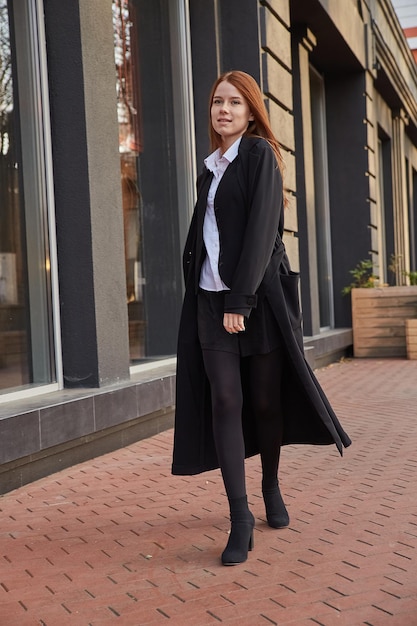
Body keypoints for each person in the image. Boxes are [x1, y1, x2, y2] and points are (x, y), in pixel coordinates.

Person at [172, 70, 351, 566]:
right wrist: (209, 291)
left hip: (257, 302)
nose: (223, 110)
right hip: (211, 301)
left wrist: (240, 301)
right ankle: (240, 516)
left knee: (266, 403)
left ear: (251, 111)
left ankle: (271, 484)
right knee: (226, 400)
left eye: (233, 102)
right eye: (216, 102)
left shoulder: (259, 157)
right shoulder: (210, 168)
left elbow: (258, 234)